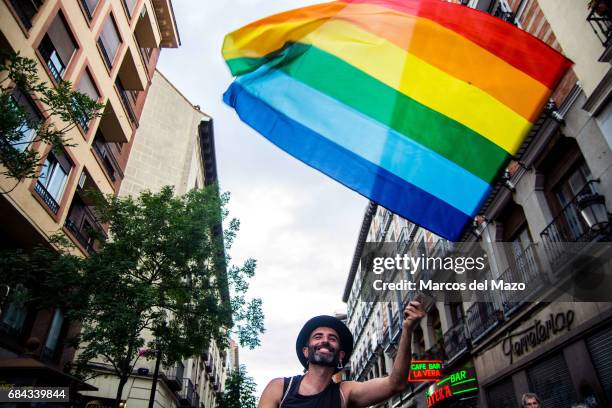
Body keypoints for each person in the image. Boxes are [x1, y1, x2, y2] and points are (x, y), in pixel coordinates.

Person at [258, 301, 426, 408]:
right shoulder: (279, 388)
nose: (325, 341)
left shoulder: (345, 392)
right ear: (306, 351)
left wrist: (407, 329)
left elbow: (395, 384)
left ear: (340, 355)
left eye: (332, 338)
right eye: (318, 337)